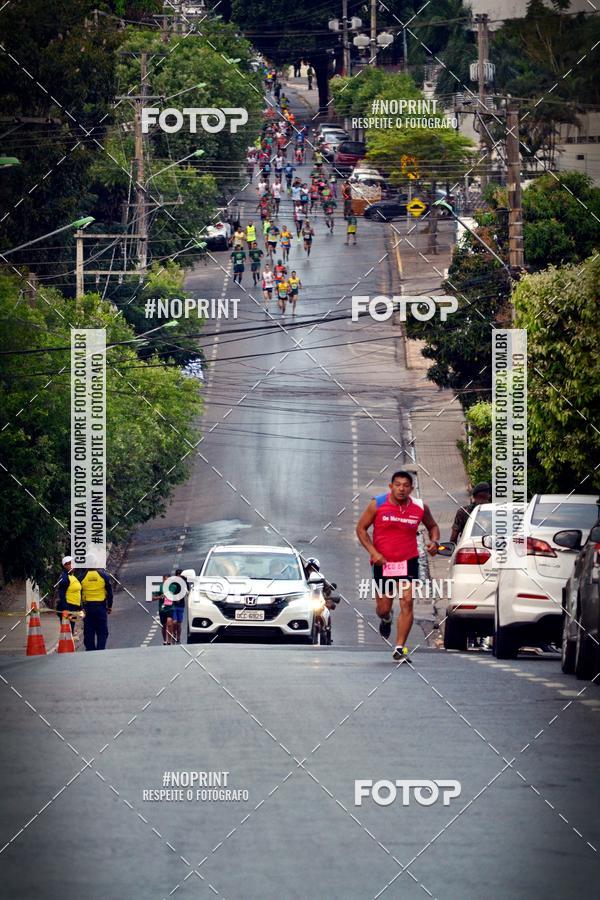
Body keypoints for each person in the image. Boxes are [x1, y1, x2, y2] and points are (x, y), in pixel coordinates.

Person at [356, 471, 440, 661]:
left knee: (407, 601)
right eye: (398, 485)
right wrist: (373, 552)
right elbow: (361, 529)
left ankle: (400, 647)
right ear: (391, 487)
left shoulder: (420, 507)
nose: (401, 489)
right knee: (383, 608)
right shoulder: (377, 504)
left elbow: (433, 526)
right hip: (383, 562)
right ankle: (386, 618)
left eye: (406, 485)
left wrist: (434, 542)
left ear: (411, 489)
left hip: (408, 561)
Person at [81, 565, 113, 651]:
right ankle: (100, 650)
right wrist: (109, 606)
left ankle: (90, 650)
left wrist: (80, 608)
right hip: (101, 607)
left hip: (87, 608)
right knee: (102, 631)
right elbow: (110, 593)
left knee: (88, 631)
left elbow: (78, 593)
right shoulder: (104, 576)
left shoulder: (81, 577)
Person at [56, 555, 81, 635]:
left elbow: (76, 593)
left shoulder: (72, 576)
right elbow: (61, 593)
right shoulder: (64, 577)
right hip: (67, 607)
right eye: (71, 563)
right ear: (65, 565)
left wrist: (80, 607)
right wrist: (66, 609)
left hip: (73, 607)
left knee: (70, 632)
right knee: (67, 632)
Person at [154, 574, 174, 645]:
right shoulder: (159, 587)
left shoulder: (173, 587)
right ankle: (165, 640)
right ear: (163, 580)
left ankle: (169, 640)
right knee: (164, 625)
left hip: (170, 608)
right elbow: (153, 598)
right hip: (162, 609)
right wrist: (161, 596)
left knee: (169, 623)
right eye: (165, 580)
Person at [170, 568, 188, 644]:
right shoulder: (173, 583)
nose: (179, 577)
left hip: (181, 605)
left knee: (179, 623)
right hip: (173, 605)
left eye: (181, 575)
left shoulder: (185, 583)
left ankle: (178, 637)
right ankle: (174, 635)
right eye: (178, 575)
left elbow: (187, 592)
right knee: (174, 622)